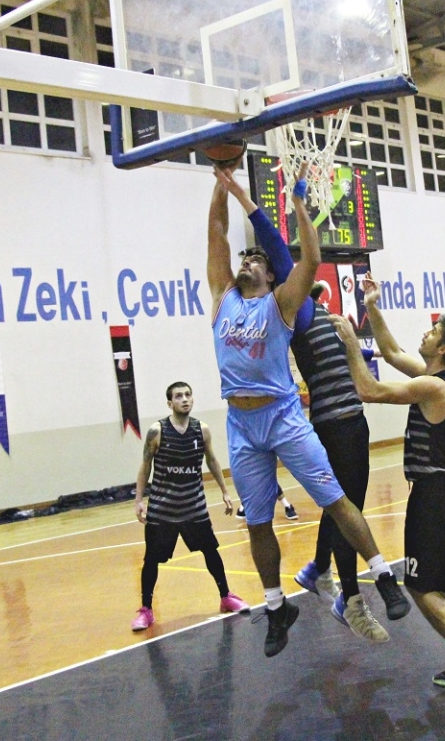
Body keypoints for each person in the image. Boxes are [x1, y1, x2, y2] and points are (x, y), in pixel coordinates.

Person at [206, 163, 409, 658]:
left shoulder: (282, 303)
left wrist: (294, 206)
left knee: (335, 499)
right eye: (245, 257)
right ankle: (277, 607)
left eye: (256, 259)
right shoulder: (222, 298)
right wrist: (220, 185)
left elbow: (312, 259)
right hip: (241, 424)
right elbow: (215, 235)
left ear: (273, 275)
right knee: (258, 521)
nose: (247, 261)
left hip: (283, 416)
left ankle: (384, 577)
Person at [330, 279, 445, 687]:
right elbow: (390, 352)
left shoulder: (432, 385)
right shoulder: (441, 377)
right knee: (436, 580)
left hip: (434, 492)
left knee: (421, 587)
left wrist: (350, 343)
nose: (426, 333)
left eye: (433, 332)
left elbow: (368, 390)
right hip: (444, 485)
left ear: (443, 348)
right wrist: (372, 306)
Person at [244, 182, 388, 643]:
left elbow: (367, 366)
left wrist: (367, 314)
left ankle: (319, 568)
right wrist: (278, 206)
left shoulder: (328, 320)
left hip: (350, 419)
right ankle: (349, 595)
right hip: (331, 420)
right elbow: (284, 254)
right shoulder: (295, 312)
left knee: (345, 505)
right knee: (345, 507)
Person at [131, 381, 248, 631]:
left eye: (187, 395)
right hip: (162, 509)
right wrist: (139, 500)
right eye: (178, 396)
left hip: (194, 506)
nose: (184, 399)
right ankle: (146, 610)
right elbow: (145, 465)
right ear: (169, 403)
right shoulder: (157, 431)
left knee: (211, 551)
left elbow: (212, 460)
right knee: (151, 559)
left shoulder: (201, 430)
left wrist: (225, 491)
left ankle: (226, 596)